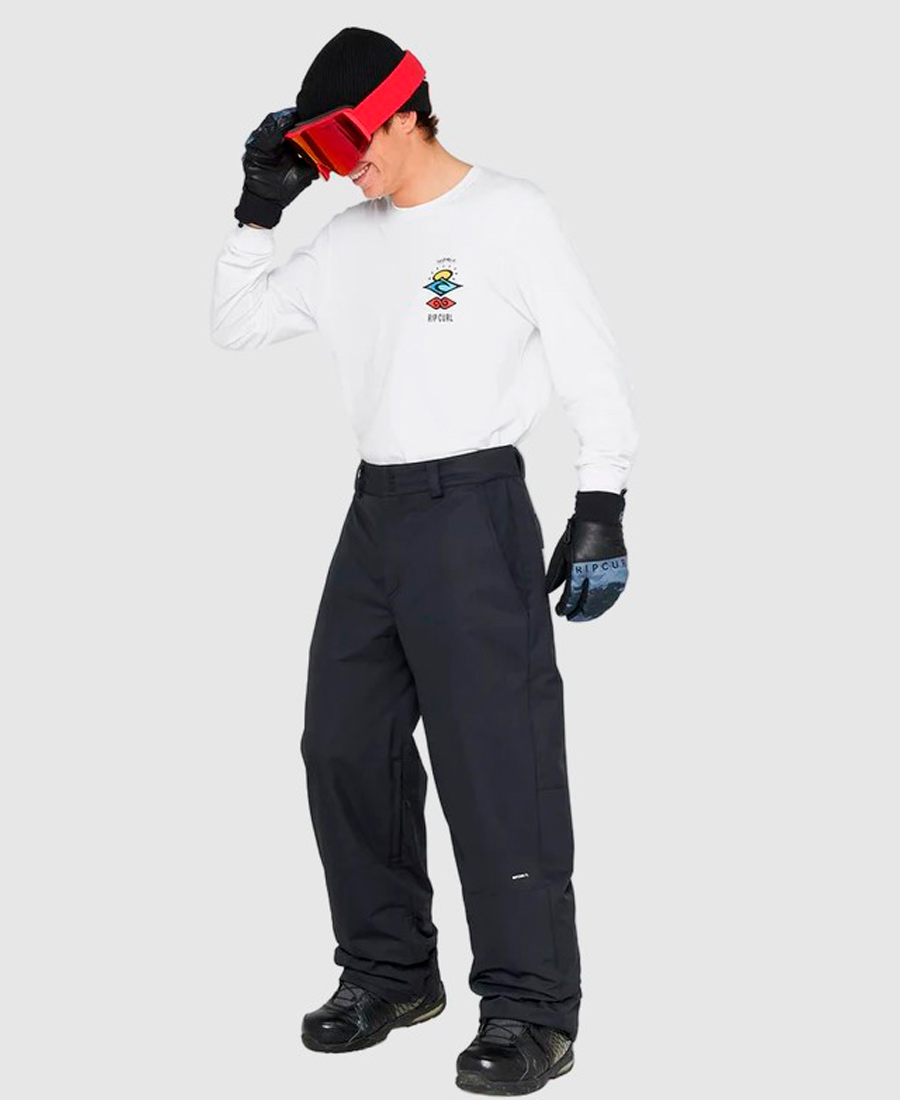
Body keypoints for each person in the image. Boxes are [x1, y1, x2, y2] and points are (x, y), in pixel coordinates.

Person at [210, 25, 638, 1095]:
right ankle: (390, 972)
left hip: (472, 508)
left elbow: (589, 360)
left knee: (494, 763)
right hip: (375, 515)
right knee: (342, 746)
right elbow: (236, 322)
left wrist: (601, 500)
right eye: (319, 148)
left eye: (349, 139)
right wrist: (258, 212)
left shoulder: (510, 214)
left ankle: (532, 1010)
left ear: (406, 112)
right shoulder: (347, 240)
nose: (340, 163)